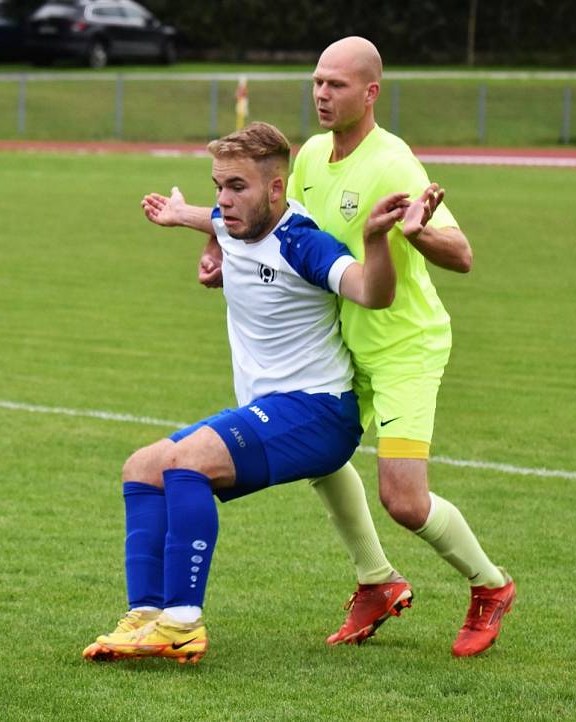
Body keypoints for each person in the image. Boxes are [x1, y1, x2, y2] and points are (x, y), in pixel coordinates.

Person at [140, 37, 515, 658]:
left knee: (403, 499)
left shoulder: (392, 163)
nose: (320, 93)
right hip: (341, 337)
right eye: (316, 81)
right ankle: (377, 582)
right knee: (321, 452)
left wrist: (417, 236)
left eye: (336, 84)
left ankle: (490, 585)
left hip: (401, 346)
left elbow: (463, 255)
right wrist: (210, 239)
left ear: (370, 93)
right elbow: (273, 224)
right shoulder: (311, 156)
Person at [83, 121, 437, 664]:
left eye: (237, 187)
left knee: (188, 461)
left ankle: (181, 622)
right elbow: (220, 223)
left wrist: (373, 241)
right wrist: (184, 217)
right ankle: (146, 616)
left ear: (277, 190)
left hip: (319, 412)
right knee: (142, 467)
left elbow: (373, 292)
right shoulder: (233, 224)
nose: (223, 200)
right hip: (268, 410)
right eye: (218, 185)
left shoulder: (303, 242)